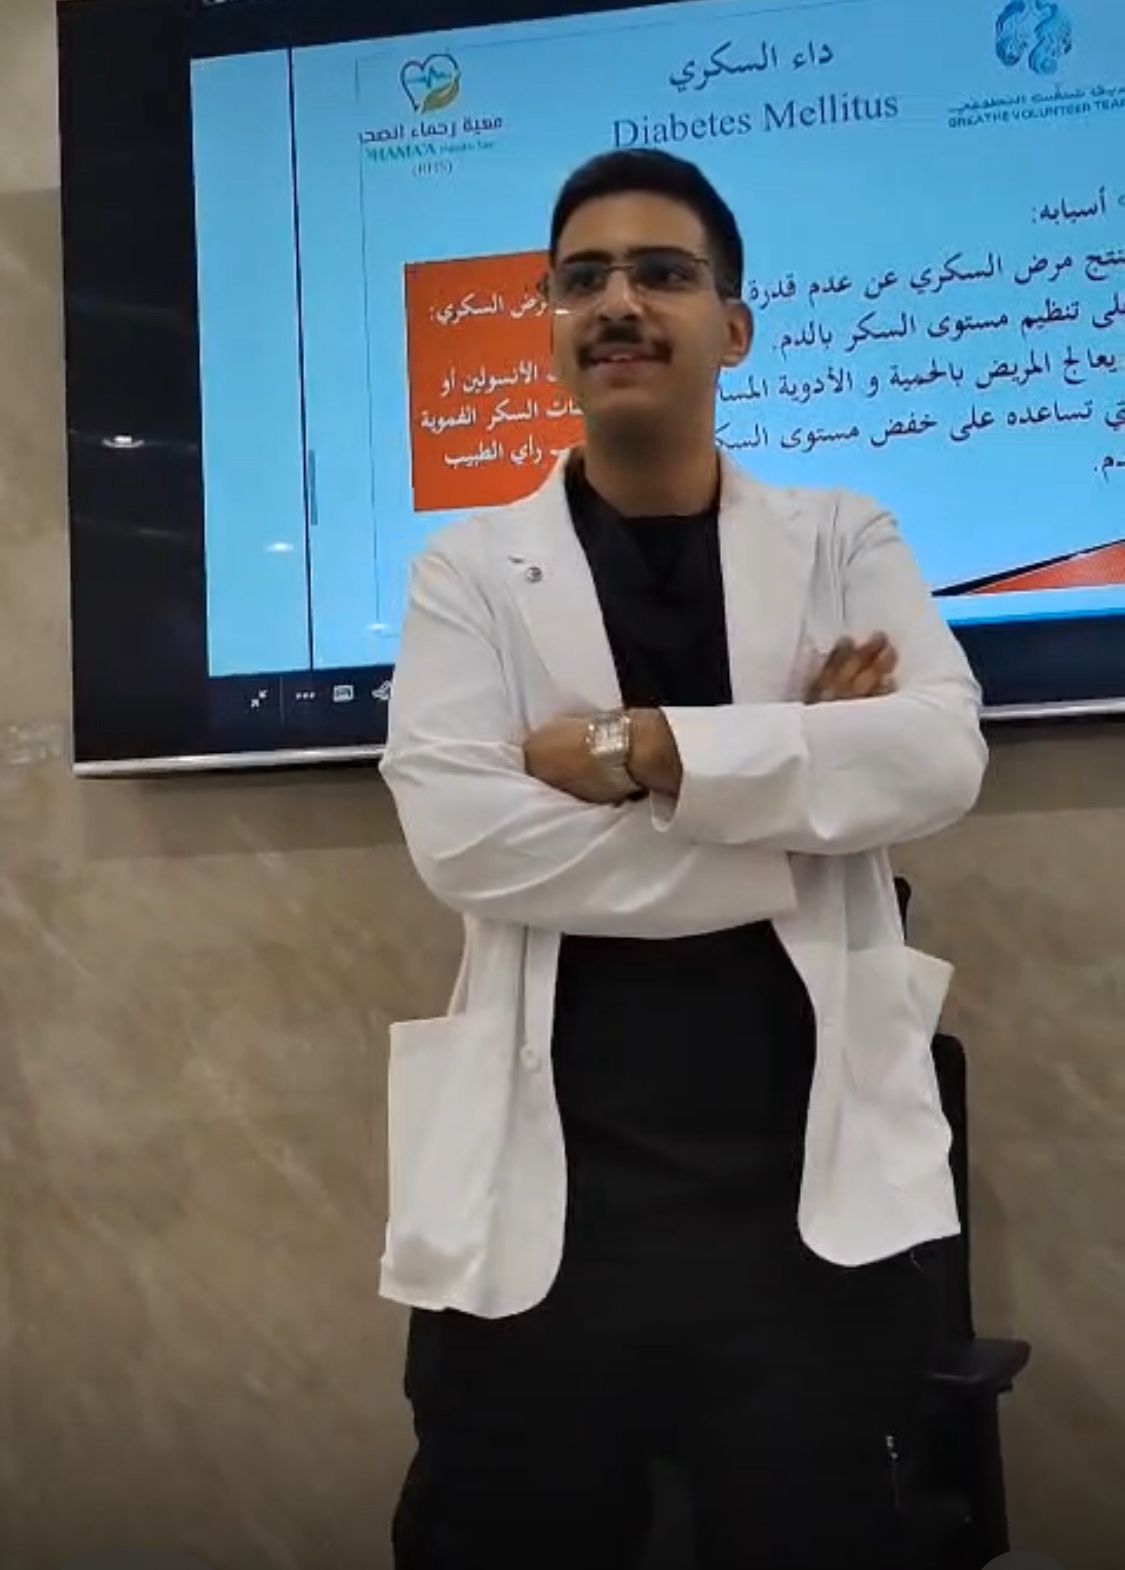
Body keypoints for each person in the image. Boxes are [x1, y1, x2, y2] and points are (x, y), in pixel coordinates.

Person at [380, 149, 987, 1570]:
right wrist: (793, 788)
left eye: (662, 273)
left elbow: (935, 760)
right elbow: (466, 841)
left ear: (734, 325)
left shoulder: (842, 538)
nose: (619, 303)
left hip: (799, 1209)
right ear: (548, 323)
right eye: (582, 278)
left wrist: (640, 750)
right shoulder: (467, 572)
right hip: (550, 1207)